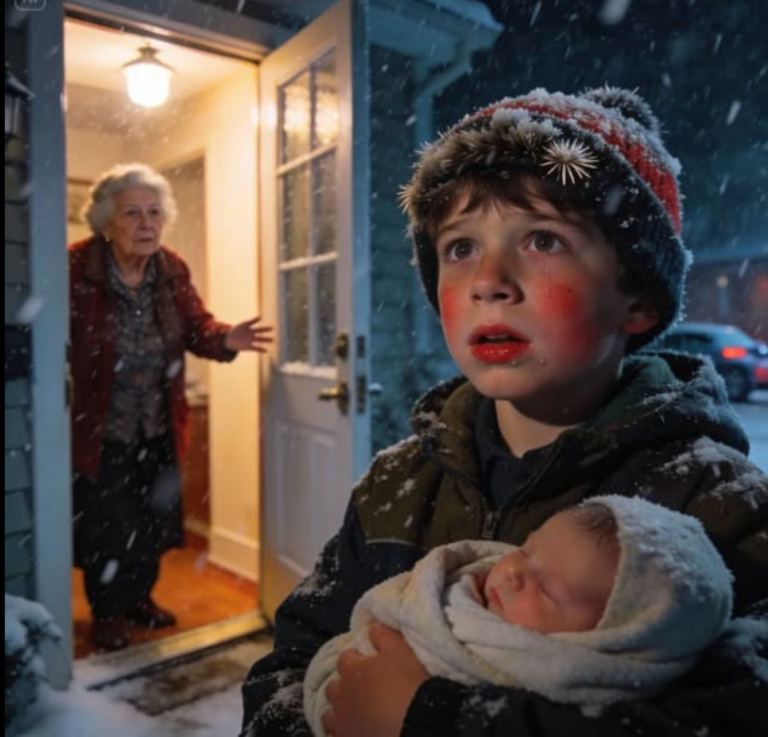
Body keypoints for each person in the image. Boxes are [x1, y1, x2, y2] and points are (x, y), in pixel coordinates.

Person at [241, 87, 767, 737]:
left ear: (637, 300)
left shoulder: (716, 505)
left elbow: (728, 718)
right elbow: (292, 656)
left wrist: (428, 718)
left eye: (543, 239)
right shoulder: (398, 485)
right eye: (459, 247)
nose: (490, 278)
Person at [304, 496, 734, 736]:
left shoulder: (729, 503)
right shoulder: (396, 482)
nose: (510, 572)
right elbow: (301, 639)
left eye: (546, 589)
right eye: (526, 549)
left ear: (607, 643)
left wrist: (425, 717)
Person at [70, 163, 272, 652]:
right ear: (105, 221)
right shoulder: (77, 267)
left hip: (158, 423)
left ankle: (139, 597)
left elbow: (194, 326)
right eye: (132, 213)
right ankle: (109, 612)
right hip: (99, 428)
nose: (145, 224)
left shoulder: (170, 268)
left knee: (152, 519)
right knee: (108, 526)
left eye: (154, 213)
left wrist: (226, 337)